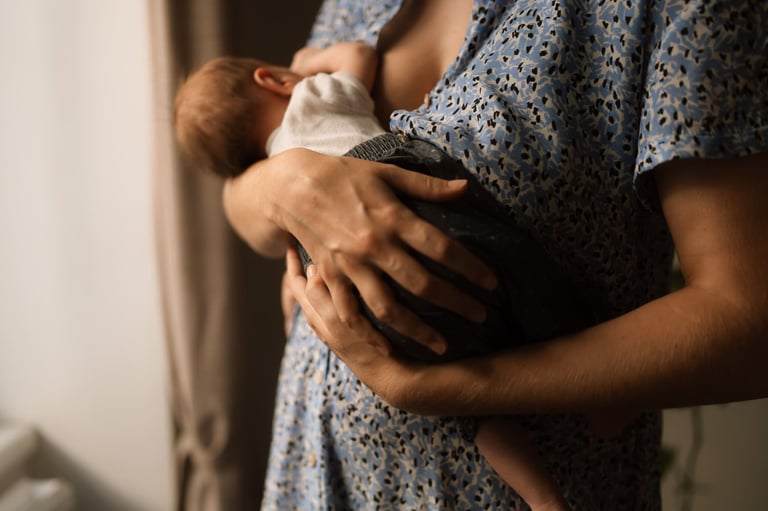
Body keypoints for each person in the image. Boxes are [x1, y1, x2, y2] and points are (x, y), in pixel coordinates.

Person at [222, 0, 768, 509]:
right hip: (309, 473)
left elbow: (748, 321)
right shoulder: (357, 6)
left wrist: (436, 389)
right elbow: (243, 203)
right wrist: (283, 185)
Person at [174, 40, 587, 510]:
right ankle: (593, 378)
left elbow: (252, 211)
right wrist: (303, 66)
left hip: (363, 303)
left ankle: (543, 498)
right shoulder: (313, 95)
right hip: (415, 209)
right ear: (271, 81)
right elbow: (359, 56)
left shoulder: (273, 166)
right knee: (521, 269)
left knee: (467, 401)